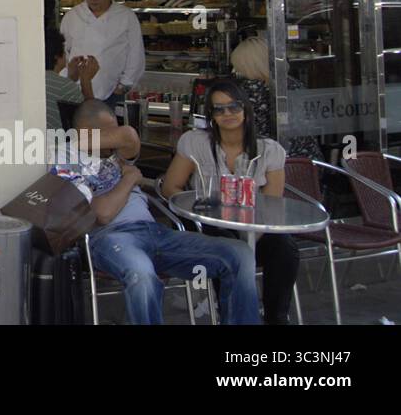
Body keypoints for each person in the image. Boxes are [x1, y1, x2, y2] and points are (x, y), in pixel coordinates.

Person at [59, 99, 261, 324]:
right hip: (111, 237)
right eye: (109, 130)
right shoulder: (68, 163)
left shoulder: (118, 155)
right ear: (87, 130)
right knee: (142, 275)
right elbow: (103, 213)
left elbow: (129, 136)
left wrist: (87, 139)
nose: (115, 136)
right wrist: (129, 178)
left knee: (240, 253)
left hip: (156, 233)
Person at [162, 79, 299, 324]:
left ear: (245, 109)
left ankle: (276, 318)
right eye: (219, 109)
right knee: (227, 248)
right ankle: (234, 316)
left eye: (234, 106)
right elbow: (171, 187)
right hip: (207, 224)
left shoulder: (270, 150)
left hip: (253, 228)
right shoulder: (195, 142)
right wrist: (197, 206)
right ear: (211, 116)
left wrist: (249, 239)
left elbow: (272, 204)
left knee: (285, 247)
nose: (228, 114)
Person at [59, 0, 145, 116]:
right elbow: (63, 53)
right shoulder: (72, 16)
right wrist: (68, 79)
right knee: (80, 138)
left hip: (111, 94)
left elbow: (136, 53)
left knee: (106, 138)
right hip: (76, 93)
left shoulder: (126, 16)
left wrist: (124, 85)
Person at [229, 36, 323, 160]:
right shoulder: (294, 84)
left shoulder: (251, 90)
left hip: (270, 165)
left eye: (238, 66)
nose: (236, 70)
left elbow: (247, 132)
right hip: (309, 163)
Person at [44, 27, 95, 133]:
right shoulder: (64, 86)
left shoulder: (36, 80)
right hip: (60, 145)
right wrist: (86, 80)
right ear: (57, 56)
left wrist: (71, 78)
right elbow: (92, 120)